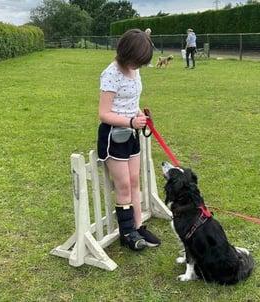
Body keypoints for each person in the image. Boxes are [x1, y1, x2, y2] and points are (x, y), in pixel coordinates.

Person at [97, 29, 161, 251]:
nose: (138, 66)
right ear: (126, 54)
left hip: (131, 131)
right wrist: (130, 122)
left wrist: (139, 115)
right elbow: (104, 113)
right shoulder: (111, 74)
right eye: (137, 61)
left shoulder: (134, 71)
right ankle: (127, 233)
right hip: (114, 135)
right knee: (123, 184)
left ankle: (138, 226)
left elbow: (132, 101)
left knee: (134, 180)